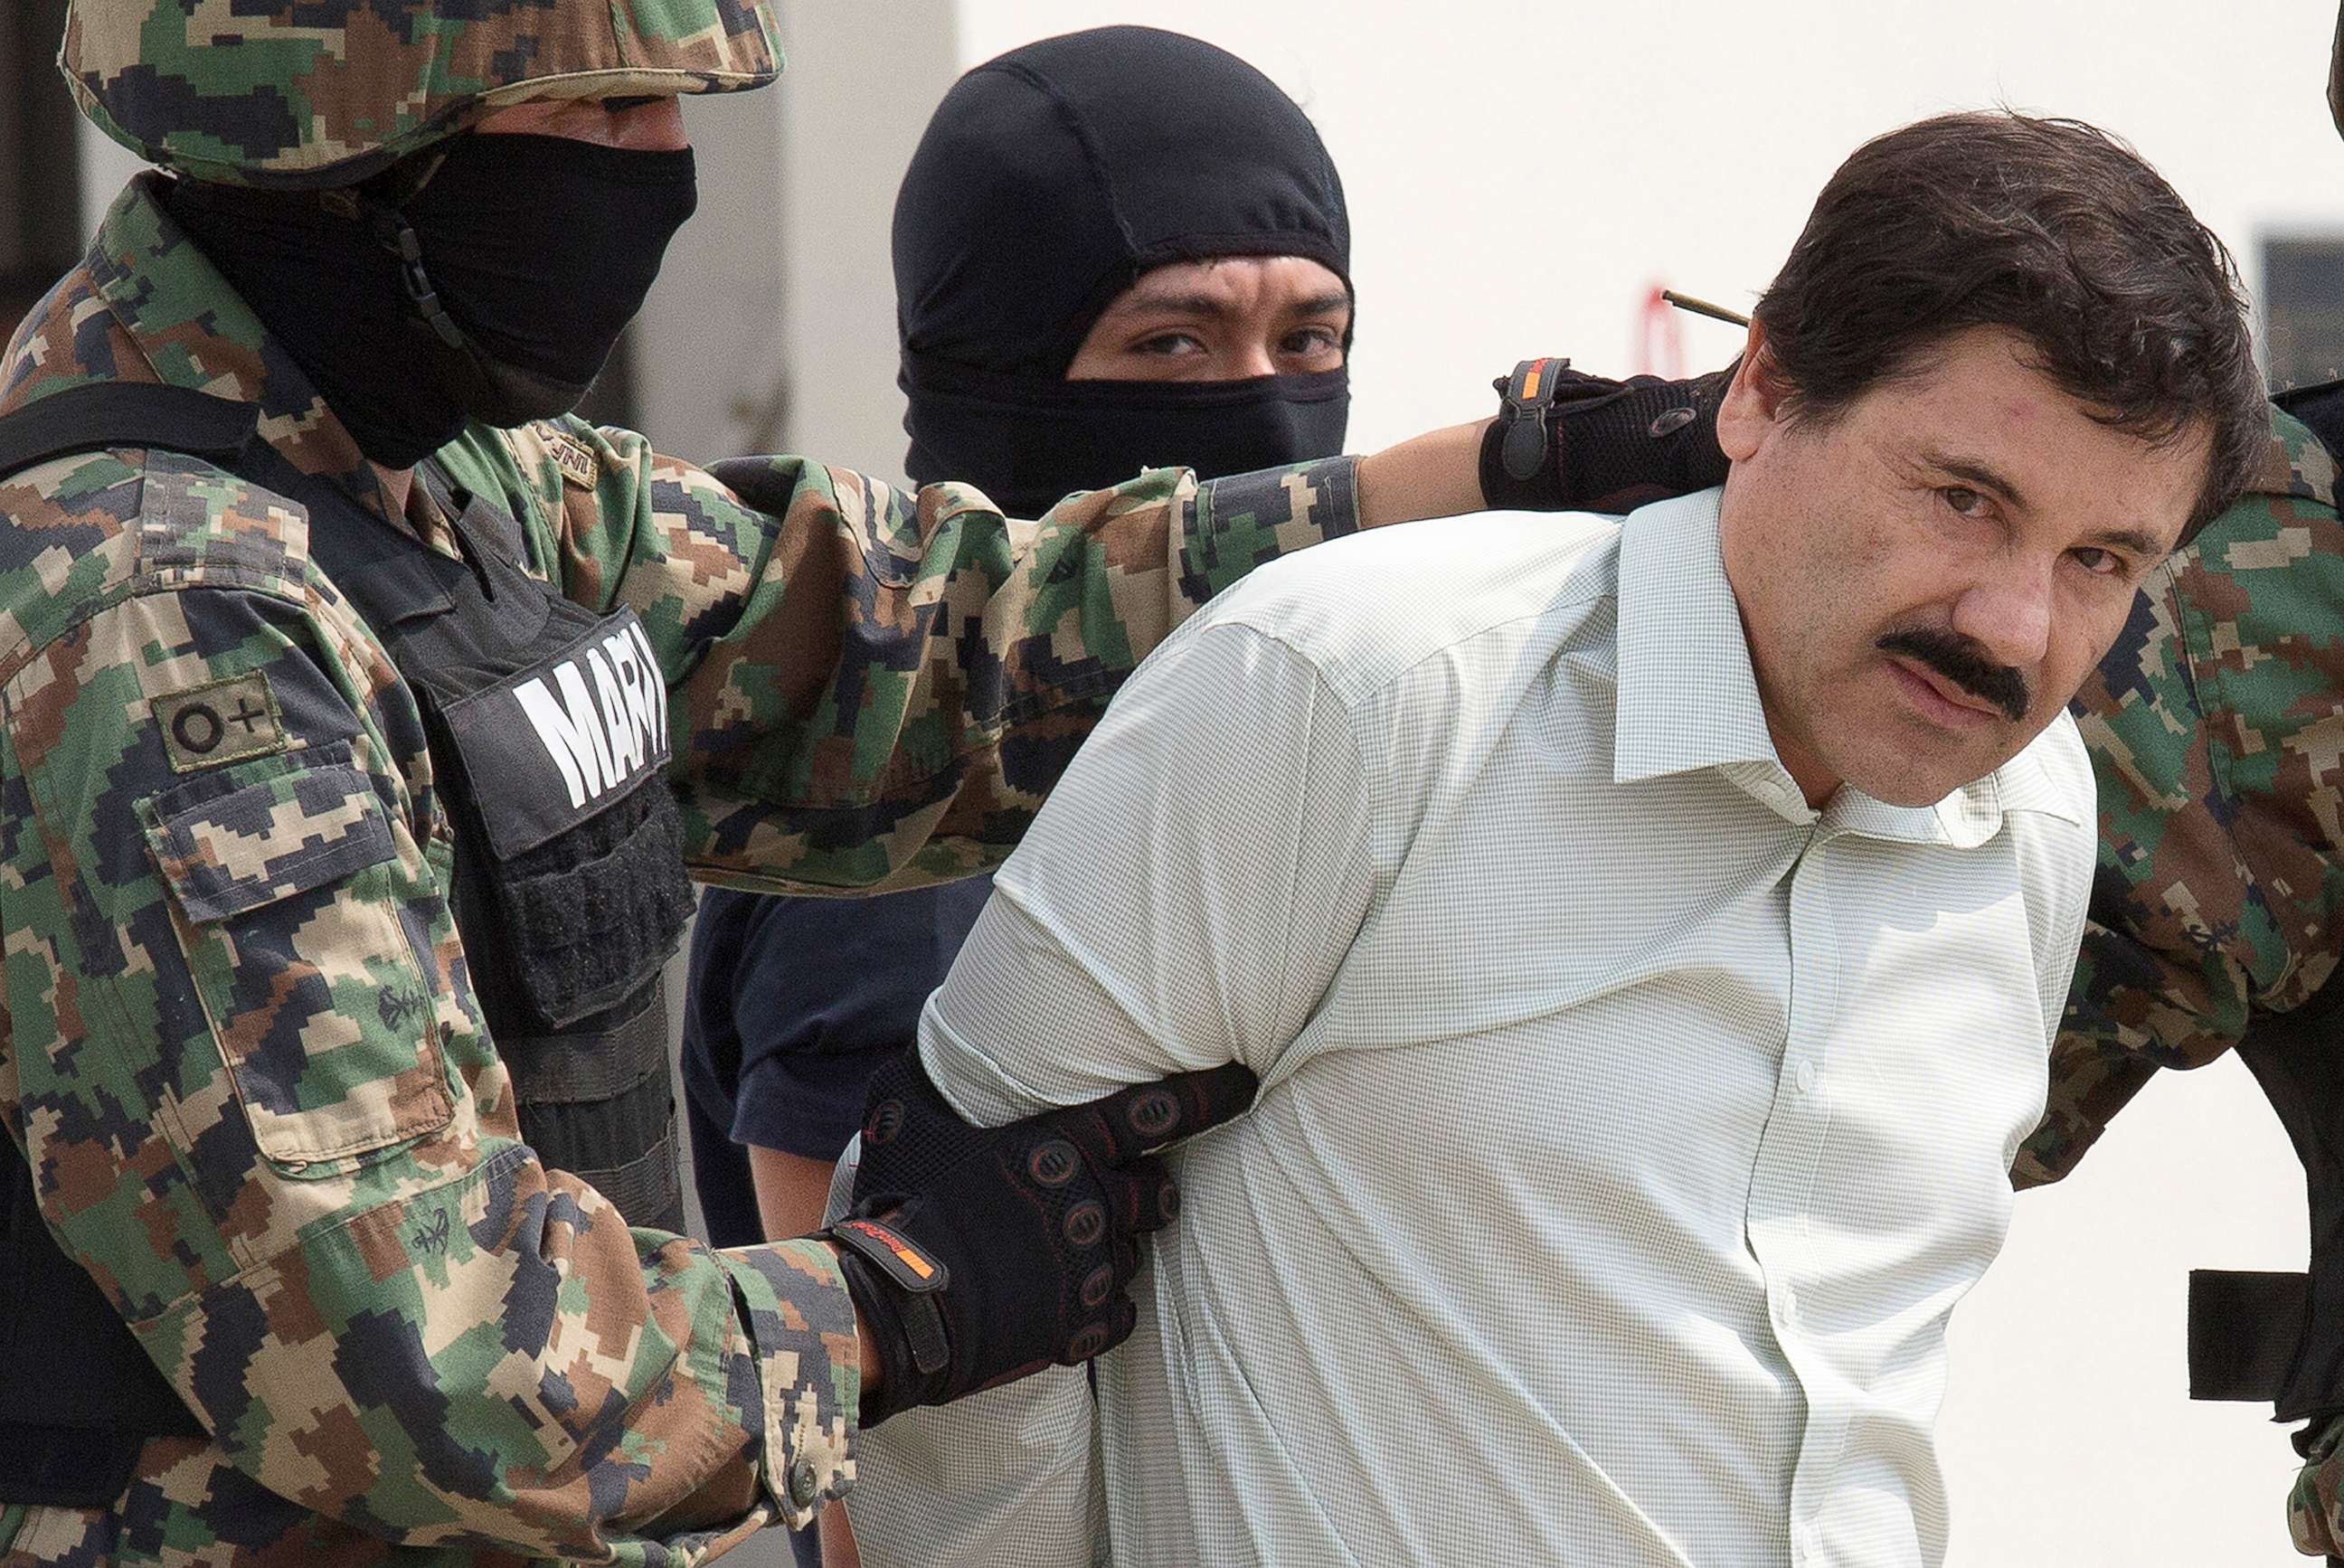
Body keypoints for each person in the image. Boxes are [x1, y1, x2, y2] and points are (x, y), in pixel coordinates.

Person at [0, 4, 1495, 1561]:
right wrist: (905, 1301)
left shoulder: (434, 476)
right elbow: (433, 1357)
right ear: (353, 132)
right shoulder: (159, 618)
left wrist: (1472, 486)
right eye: (602, 115)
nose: (671, 171)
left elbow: (913, 649)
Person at [835, 109, 2269, 1567]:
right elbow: (961, 1287)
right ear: (1761, 389)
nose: (2015, 633)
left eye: (2102, 562)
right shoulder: (1359, 694)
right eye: (1965, 499)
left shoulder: (2033, 815)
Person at [684, 22, 1355, 1259]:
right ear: (996, 380)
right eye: (1172, 342)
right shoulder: (896, 839)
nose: (1267, 405)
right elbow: (888, 1374)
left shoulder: (1297, 725)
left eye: (1308, 341)